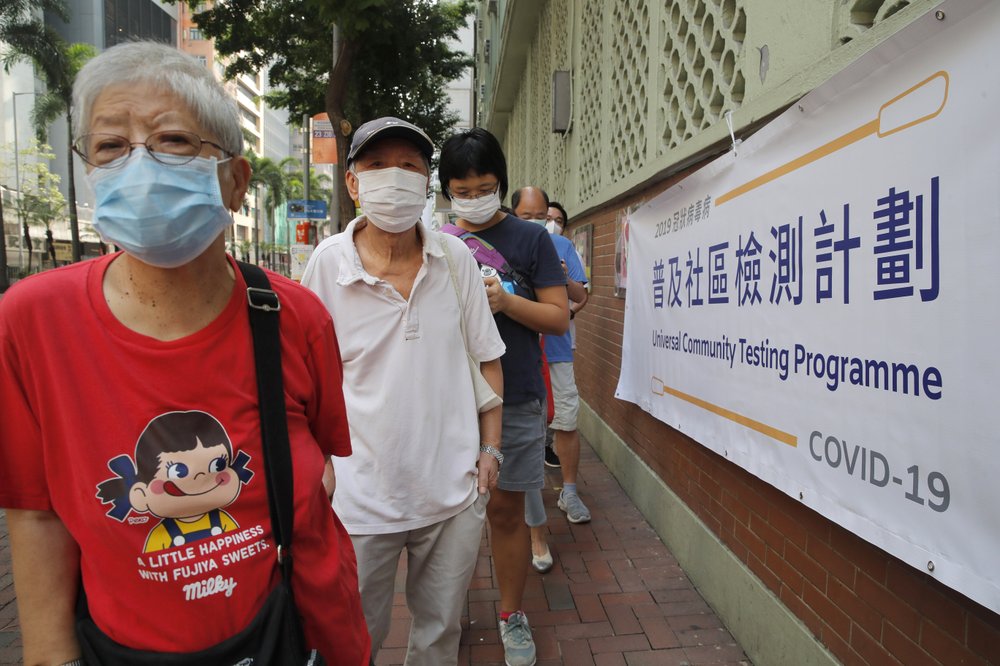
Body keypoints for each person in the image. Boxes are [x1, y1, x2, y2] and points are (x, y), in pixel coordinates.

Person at [0, 41, 369, 665]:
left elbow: (323, 473)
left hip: (292, 634)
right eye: (110, 147)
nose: (139, 168)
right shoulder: (31, 320)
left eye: (172, 141)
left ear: (235, 179)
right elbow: (36, 513)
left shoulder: (293, 316)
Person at [300, 117, 506, 666]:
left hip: (453, 488)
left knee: (440, 632)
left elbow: (488, 357)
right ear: (352, 183)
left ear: (426, 182)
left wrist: (490, 450)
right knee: (352, 636)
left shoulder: (455, 259)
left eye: (409, 166)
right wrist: (315, 464)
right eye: (377, 166)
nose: (394, 177)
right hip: (359, 496)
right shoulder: (327, 263)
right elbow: (301, 377)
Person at [438, 129, 570, 666]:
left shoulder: (531, 240)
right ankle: (447, 612)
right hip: (447, 399)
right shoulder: (434, 240)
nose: (474, 198)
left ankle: (512, 614)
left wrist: (507, 301)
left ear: (502, 184)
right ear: (447, 190)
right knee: (448, 517)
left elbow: (559, 316)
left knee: (508, 513)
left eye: (485, 187)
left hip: (514, 396)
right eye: (462, 190)